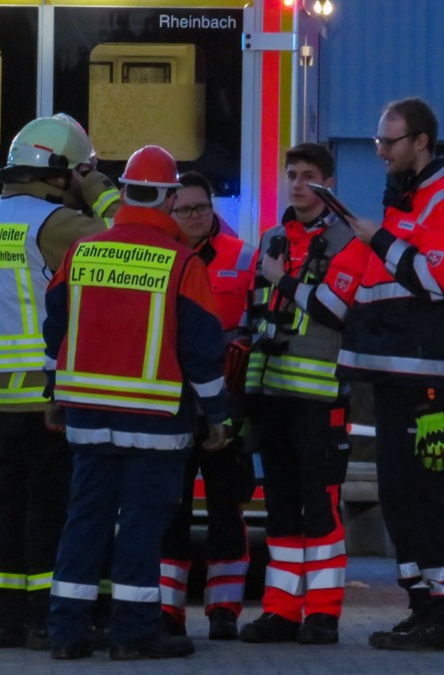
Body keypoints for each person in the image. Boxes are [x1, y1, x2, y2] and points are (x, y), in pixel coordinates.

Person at [0, 113, 120, 650]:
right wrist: (103, 192)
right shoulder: (56, 224)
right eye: (82, 172)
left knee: (8, 509)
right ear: (64, 174)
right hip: (47, 398)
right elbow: (134, 246)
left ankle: (3, 620)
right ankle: (45, 618)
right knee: (51, 510)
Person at [44, 145, 229, 661]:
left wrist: (54, 394)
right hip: (155, 421)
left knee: (84, 521)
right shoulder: (182, 263)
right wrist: (218, 416)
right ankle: (133, 633)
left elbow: (55, 328)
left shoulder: (82, 254)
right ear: (169, 199)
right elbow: (201, 351)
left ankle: (67, 632)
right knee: (142, 529)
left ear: (124, 192)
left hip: (87, 417)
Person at [339, 97, 444, 651]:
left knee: (423, 494)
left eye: (388, 142)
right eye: (377, 141)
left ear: (420, 142)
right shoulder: (405, 204)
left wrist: (377, 238)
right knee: (399, 495)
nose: (380, 152)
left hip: (424, 382)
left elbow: (439, 281)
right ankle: (424, 606)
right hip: (397, 375)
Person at [238, 143, 368, 646]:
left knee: (322, 508)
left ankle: (323, 614)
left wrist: (283, 280)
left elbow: (334, 309)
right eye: (291, 174)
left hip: (322, 400)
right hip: (273, 397)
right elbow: (256, 313)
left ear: (328, 184)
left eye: (308, 175)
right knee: (282, 509)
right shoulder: (273, 238)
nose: (296, 184)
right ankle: (281, 611)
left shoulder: (348, 240)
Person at [158, 171, 257, 641]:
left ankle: (224, 610)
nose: (194, 216)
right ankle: (167, 611)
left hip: (225, 406)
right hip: (171, 406)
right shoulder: (160, 257)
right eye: (184, 209)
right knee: (169, 511)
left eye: (201, 207)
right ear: (170, 211)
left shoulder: (244, 257)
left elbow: (259, 326)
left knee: (227, 511)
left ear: (213, 207)